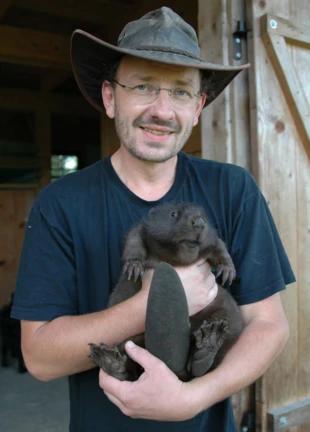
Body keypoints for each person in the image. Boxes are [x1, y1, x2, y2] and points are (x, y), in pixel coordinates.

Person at [11, 6, 295, 432]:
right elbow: (39, 357)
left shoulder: (233, 189)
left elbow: (269, 326)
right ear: (110, 97)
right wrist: (149, 304)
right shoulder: (61, 203)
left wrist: (190, 399)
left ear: (199, 107)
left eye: (180, 92)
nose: (162, 110)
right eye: (143, 86)